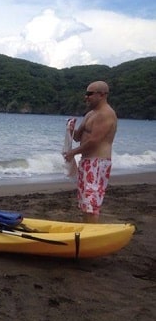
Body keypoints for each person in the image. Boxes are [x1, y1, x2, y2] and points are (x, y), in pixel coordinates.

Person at [63, 81, 117, 223]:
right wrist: (70, 129)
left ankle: (92, 233)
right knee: (84, 202)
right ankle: (87, 230)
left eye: (89, 94)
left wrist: (73, 153)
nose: (86, 97)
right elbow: (79, 137)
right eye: (86, 93)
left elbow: (94, 141)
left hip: (97, 163)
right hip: (86, 163)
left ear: (102, 95)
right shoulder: (90, 114)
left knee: (91, 203)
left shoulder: (106, 114)